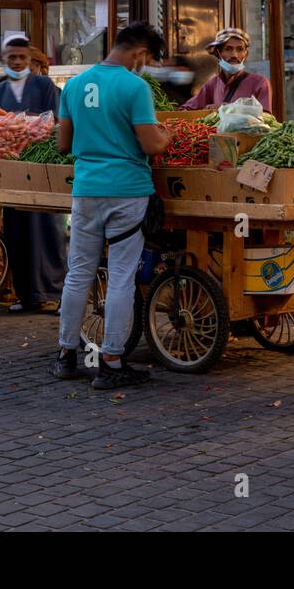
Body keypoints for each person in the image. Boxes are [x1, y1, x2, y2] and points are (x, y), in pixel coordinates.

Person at [52, 23, 171, 389]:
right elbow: (151, 145)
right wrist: (166, 135)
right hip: (127, 191)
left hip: (86, 190)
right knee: (121, 276)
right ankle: (112, 362)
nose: (144, 66)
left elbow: (63, 144)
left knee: (79, 273)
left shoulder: (72, 85)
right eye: (147, 59)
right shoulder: (134, 88)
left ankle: (66, 354)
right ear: (139, 53)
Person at [0, 37, 66, 314]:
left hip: (41, 168)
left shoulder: (45, 86)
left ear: (28, 59)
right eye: (12, 58)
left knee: (47, 229)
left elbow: (55, 121)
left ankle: (53, 293)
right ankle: (25, 294)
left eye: (22, 57)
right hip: (12, 169)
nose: (17, 62)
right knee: (16, 228)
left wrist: (26, 125)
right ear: (5, 59)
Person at [180, 27, 271, 111]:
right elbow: (186, 109)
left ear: (246, 54)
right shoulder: (212, 85)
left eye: (239, 49)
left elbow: (266, 117)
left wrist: (227, 108)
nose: (234, 55)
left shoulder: (259, 83)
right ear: (217, 53)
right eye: (228, 49)